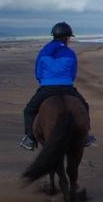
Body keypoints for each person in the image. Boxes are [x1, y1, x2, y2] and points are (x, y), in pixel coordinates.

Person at [19, 22, 96, 150]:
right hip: (67, 87)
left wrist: (45, 81)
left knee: (29, 111)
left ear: (53, 36)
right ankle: (85, 136)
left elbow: (38, 72)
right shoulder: (70, 53)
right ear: (67, 37)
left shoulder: (43, 51)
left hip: (47, 88)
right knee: (84, 106)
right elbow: (72, 73)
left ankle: (30, 139)